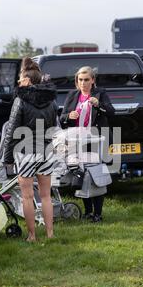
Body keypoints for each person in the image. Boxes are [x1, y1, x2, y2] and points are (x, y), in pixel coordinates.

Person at [2, 57, 58, 242]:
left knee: (27, 196)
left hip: (25, 152)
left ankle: (32, 235)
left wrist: (7, 157)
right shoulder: (52, 101)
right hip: (46, 150)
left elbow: (11, 130)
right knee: (46, 195)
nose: (18, 81)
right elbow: (54, 127)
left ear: (26, 80)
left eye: (20, 78)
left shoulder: (21, 100)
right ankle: (50, 233)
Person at [60, 66, 115, 223]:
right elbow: (62, 118)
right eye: (80, 80)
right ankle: (88, 211)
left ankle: (98, 213)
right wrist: (68, 116)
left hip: (97, 141)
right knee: (82, 175)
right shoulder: (72, 95)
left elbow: (111, 112)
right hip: (77, 142)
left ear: (93, 81)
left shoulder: (100, 94)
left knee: (96, 175)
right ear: (77, 81)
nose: (83, 83)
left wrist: (99, 105)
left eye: (86, 80)